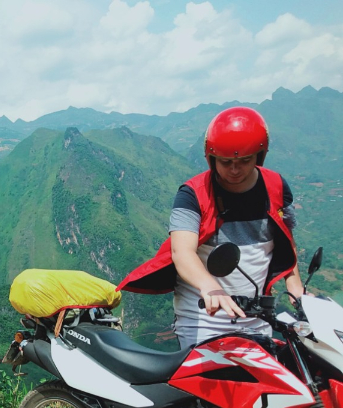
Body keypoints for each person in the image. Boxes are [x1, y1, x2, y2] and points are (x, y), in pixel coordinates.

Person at [117, 106, 302, 349]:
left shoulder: (276, 187)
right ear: (211, 158)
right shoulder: (192, 194)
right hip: (204, 318)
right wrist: (211, 287)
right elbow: (182, 252)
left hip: (256, 317)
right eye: (225, 162)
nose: (234, 170)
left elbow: (286, 240)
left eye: (244, 161)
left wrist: (297, 290)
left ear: (260, 155)